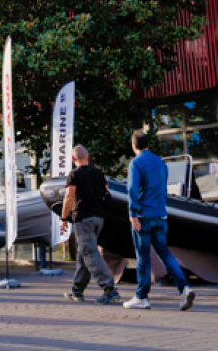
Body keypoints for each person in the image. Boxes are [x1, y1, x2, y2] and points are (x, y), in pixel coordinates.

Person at [123, 132, 195, 311]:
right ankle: (184, 287)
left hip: (143, 216)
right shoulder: (161, 163)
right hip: (161, 215)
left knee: (144, 257)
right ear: (148, 144)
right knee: (165, 253)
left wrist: (133, 214)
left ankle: (142, 297)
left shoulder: (136, 163)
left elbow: (132, 189)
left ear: (134, 146)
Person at [61, 145, 121, 304]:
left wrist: (64, 218)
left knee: (91, 255)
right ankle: (77, 290)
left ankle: (110, 289)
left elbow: (69, 197)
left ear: (73, 159)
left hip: (83, 219)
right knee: (83, 254)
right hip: (98, 219)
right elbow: (107, 194)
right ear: (87, 156)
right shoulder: (98, 173)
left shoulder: (74, 174)